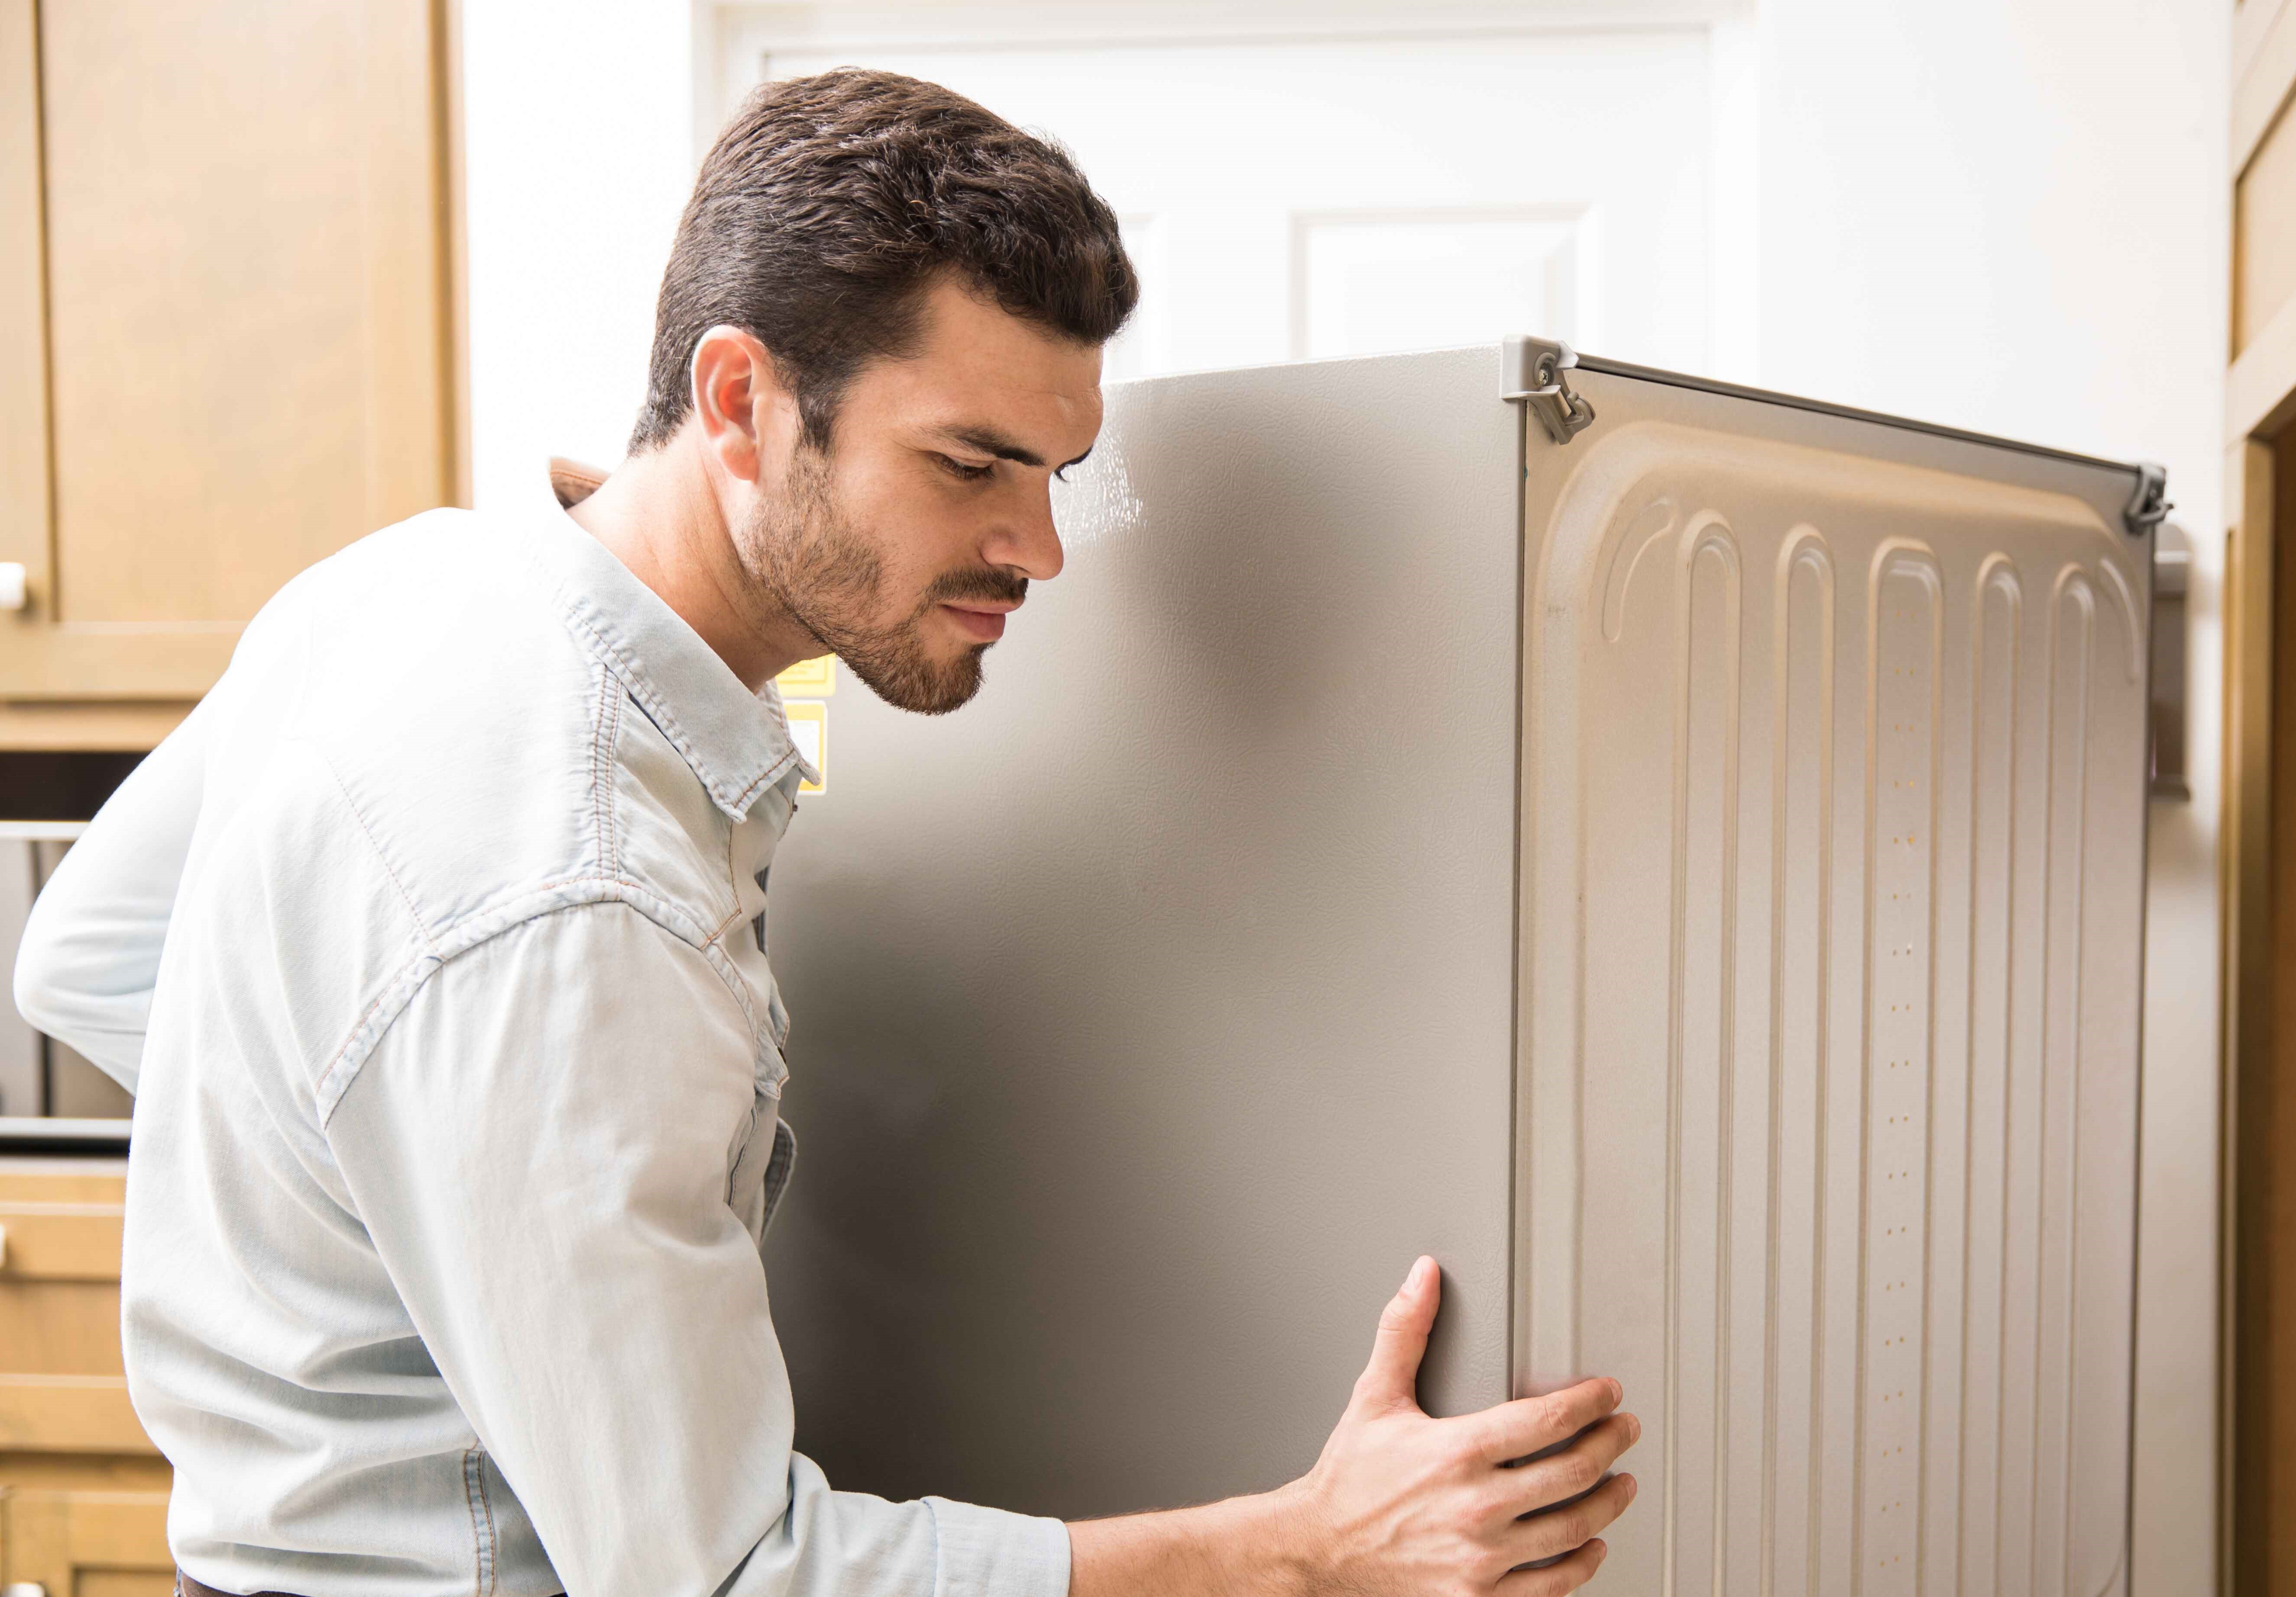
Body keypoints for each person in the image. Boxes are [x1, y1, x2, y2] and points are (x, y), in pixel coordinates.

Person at [13, 68, 1637, 1597]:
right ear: (743, 401)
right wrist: (1304, 1549)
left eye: (1061, 469)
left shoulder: (412, 580)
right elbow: (724, 1578)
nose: (1041, 548)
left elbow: (81, 958)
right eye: (969, 464)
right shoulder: (578, 891)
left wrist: (416, 1197)